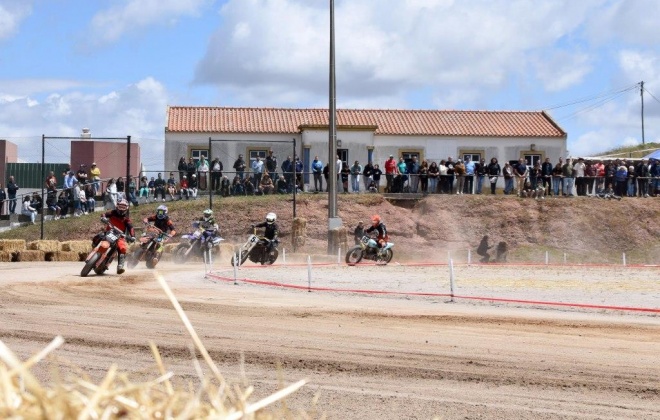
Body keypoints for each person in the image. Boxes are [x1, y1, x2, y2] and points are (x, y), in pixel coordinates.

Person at [99, 199, 135, 274]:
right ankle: (94, 247)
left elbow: (131, 228)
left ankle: (120, 266)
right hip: (108, 232)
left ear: (126, 208)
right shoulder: (112, 212)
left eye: (123, 207)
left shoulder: (126, 219)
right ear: (117, 206)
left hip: (119, 236)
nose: (121, 209)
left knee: (122, 248)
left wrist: (133, 236)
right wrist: (103, 217)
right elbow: (104, 214)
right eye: (120, 206)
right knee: (99, 236)